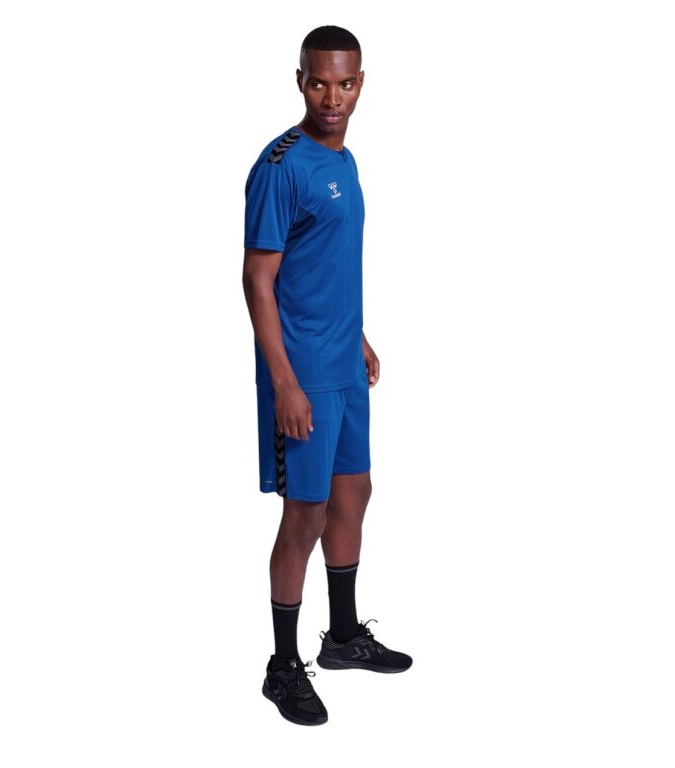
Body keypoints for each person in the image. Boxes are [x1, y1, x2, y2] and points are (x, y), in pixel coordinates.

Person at [242, 25, 412, 727]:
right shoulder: (280, 166)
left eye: (345, 84)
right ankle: (282, 667)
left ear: (361, 83)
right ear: (300, 81)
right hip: (303, 370)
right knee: (305, 512)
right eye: (319, 83)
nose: (332, 98)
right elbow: (258, 279)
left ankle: (342, 638)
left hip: (343, 361)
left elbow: (326, 263)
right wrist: (284, 383)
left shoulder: (346, 159)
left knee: (354, 493)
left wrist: (359, 336)